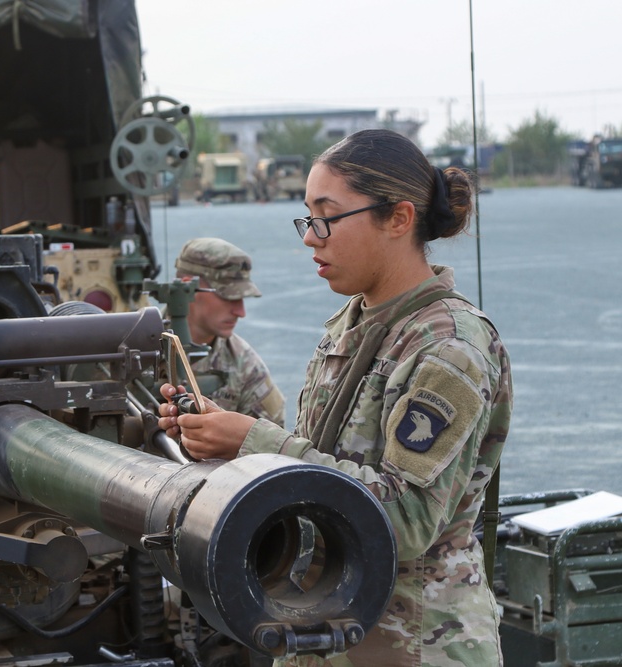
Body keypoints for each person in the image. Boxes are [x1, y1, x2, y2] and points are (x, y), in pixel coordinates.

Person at [159, 129, 513, 666]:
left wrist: (254, 441)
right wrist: (220, 442)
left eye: (327, 216)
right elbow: (317, 465)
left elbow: (406, 519)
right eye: (308, 216)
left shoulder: (448, 347)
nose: (311, 237)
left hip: (412, 644)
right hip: (323, 632)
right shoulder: (354, 325)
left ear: (398, 219)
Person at [174, 237, 285, 426]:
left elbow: (271, 444)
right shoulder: (131, 348)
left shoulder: (245, 366)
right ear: (188, 288)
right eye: (229, 297)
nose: (240, 312)